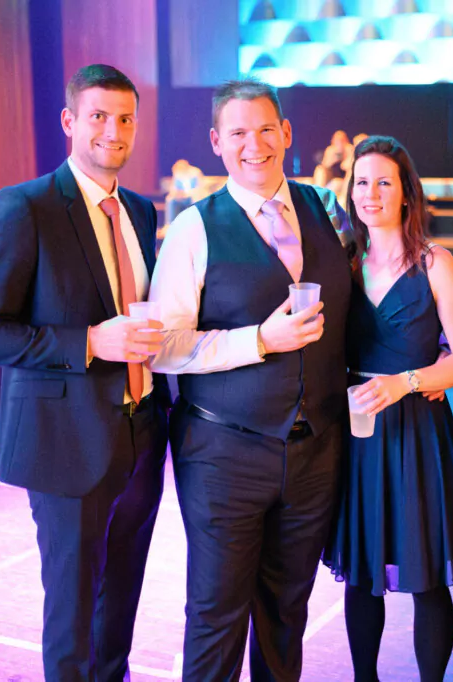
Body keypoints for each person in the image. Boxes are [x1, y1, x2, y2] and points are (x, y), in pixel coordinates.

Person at [0, 64, 169, 681]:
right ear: (69, 121)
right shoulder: (25, 207)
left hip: (142, 432)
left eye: (125, 118)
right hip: (64, 444)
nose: (113, 131)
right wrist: (91, 343)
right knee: (73, 622)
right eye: (98, 116)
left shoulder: (141, 211)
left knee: (119, 611)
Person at [148, 77, 352, 681]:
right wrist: (259, 340)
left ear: (286, 133)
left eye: (266, 129)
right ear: (216, 141)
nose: (254, 144)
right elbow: (163, 347)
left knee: (287, 616)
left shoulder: (326, 208)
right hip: (223, 454)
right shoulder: (193, 228)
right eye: (238, 132)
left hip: (315, 452)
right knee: (217, 617)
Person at [322, 135, 453, 682]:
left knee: (427, 573)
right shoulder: (342, 264)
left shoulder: (435, 262)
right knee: (361, 573)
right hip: (356, 433)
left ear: (406, 193)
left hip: (417, 433)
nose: (371, 193)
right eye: (362, 182)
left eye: (384, 182)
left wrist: (409, 382)